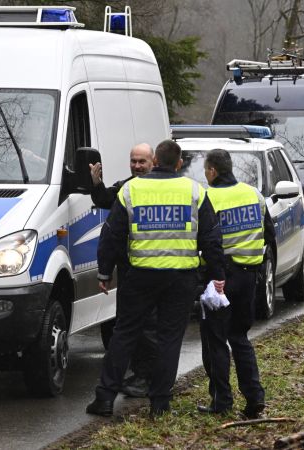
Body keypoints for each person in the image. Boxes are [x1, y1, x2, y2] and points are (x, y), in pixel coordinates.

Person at [86, 140, 227, 417]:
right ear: (178, 164)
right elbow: (211, 237)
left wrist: (104, 272)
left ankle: (104, 398)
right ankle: (160, 403)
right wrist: (217, 275)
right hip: (181, 278)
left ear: (155, 161)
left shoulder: (131, 189)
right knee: (169, 339)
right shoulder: (194, 191)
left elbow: (111, 234)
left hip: (140, 276)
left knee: (124, 334)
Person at [197, 149, 274, 419]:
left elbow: (208, 242)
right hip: (250, 276)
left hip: (221, 279)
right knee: (240, 338)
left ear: (213, 171)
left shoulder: (210, 197)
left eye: (206, 170)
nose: (205, 175)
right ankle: (255, 399)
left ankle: (221, 401)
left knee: (215, 340)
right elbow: (268, 234)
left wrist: (213, 274)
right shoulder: (254, 194)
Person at [90, 143, 157, 398]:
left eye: (142, 161)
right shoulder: (127, 187)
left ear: (153, 162)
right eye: (134, 161)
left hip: (155, 270)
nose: (137, 166)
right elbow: (107, 202)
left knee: (147, 329)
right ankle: (144, 377)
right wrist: (96, 184)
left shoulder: (164, 187)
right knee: (136, 328)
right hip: (131, 270)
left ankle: (148, 380)